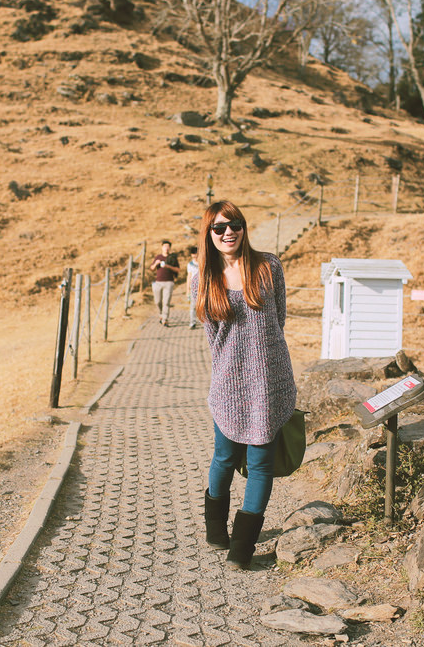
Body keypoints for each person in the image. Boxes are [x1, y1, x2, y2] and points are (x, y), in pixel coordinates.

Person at [192, 200, 296, 570]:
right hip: (229, 385)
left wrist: (263, 363)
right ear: (209, 235)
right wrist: (234, 370)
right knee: (224, 456)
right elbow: (212, 337)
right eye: (218, 228)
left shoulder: (269, 267)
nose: (227, 232)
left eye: (233, 224)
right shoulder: (203, 279)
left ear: (243, 226)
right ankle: (215, 528)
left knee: (261, 463)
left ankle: (243, 546)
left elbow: (278, 318)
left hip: (270, 381)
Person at [150, 239, 179, 326]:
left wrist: (168, 266)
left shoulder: (172, 258)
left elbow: (178, 270)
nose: (166, 248)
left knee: (166, 302)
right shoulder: (158, 257)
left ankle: (165, 319)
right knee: (157, 301)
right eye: (165, 246)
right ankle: (161, 315)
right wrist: (156, 263)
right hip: (158, 282)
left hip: (169, 282)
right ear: (162, 247)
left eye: (168, 246)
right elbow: (151, 268)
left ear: (170, 248)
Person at [186, 245, 199, 329]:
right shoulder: (190, 264)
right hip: (193, 288)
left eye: (196, 253)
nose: (195, 255)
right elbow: (189, 276)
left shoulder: (204, 262)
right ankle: (192, 322)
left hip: (203, 287)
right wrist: (187, 289)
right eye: (193, 254)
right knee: (193, 306)